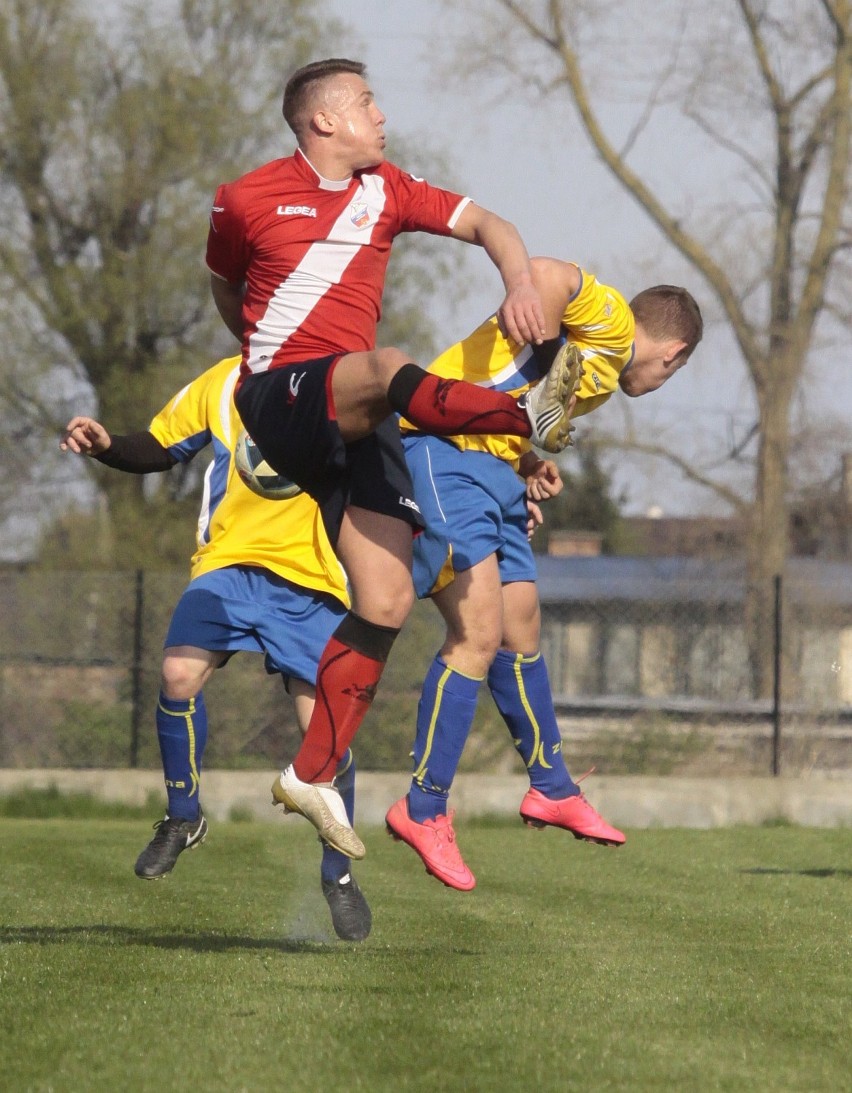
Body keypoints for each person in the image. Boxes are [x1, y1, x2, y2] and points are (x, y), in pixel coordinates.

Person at [206, 57, 583, 858]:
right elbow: (223, 282)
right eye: (368, 103)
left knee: (383, 597)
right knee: (387, 363)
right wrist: (260, 346)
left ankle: (311, 773)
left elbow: (492, 224)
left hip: (358, 411)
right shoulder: (244, 197)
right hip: (282, 395)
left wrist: (519, 281)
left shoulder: (391, 189)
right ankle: (525, 415)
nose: (383, 117)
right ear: (324, 122)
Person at [385, 257, 704, 889]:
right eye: (676, 372)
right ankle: (422, 808)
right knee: (475, 638)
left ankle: (551, 788)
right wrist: (525, 292)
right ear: (673, 352)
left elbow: (516, 392)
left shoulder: (601, 374)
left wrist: (527, 461)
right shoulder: (613, 326)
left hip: (493, 468)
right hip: (438, 449)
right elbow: (548, 273)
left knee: (520, 625)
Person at [60, 356, 371, 942]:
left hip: (312, 580)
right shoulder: (225, 379)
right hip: (226, 568)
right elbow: (159, 444)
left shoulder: (343, 379)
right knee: (177, 675)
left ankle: (339, 876)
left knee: (327, 737)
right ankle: (183, 816)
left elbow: (401, 453)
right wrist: (107, 445)